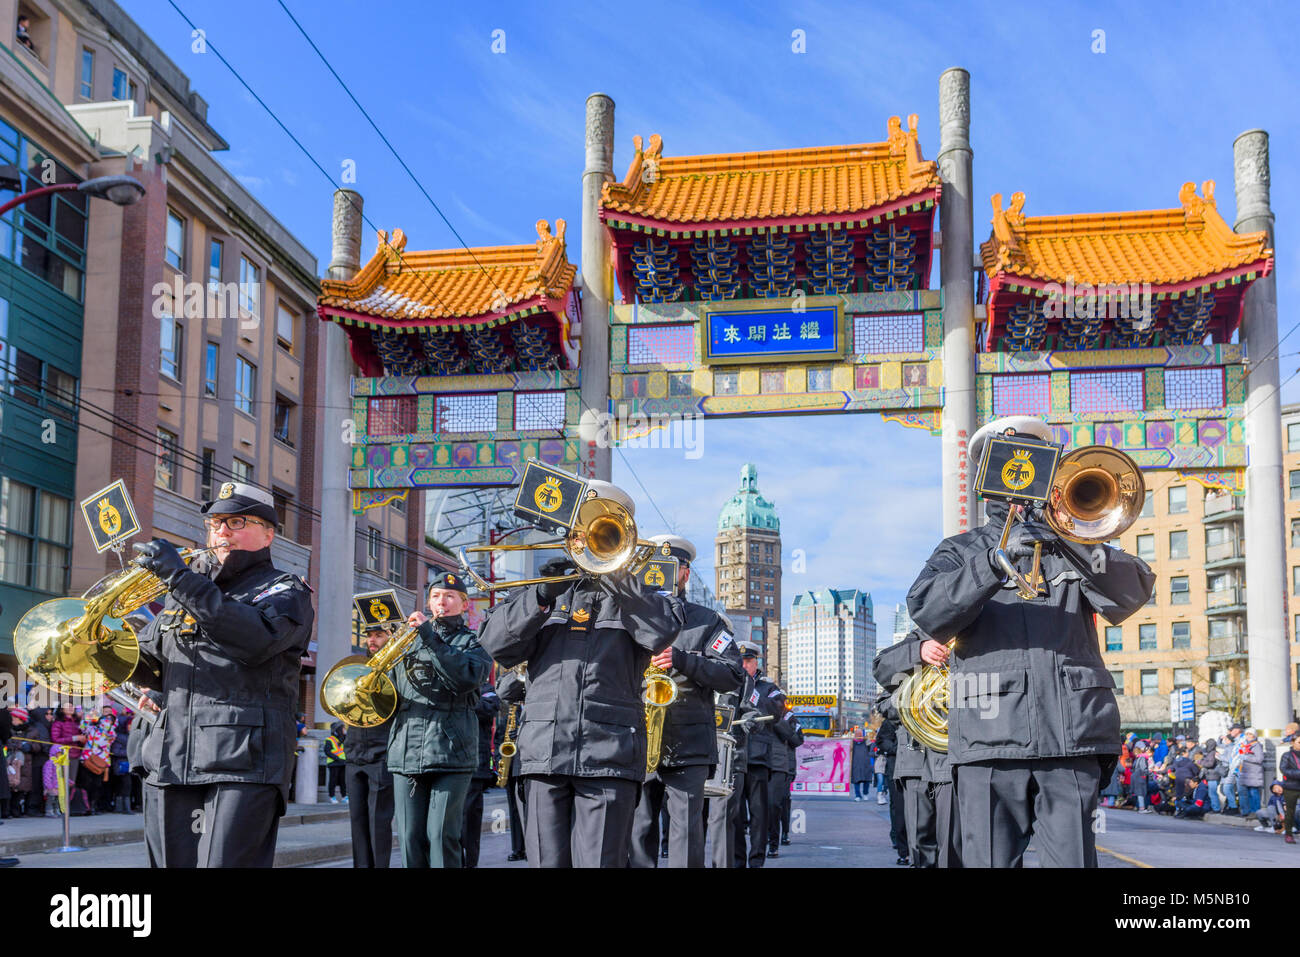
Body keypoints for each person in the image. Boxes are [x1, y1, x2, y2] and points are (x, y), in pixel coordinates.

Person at [907, 415, 1155, 868]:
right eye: (1012, 463)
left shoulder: (1076, 542)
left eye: (1037, 462)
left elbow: (1129, 594)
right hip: (988, 739)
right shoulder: (959, 550)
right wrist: (992, 563)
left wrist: (1070, 541)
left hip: (1071, 739)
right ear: (987, 477)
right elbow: (927, 612)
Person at [478, 480, 684, 867]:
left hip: (609, 754)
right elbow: (495, 644)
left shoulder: (641, 594)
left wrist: (622, 583)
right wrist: (540, 596)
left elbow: (661, 633)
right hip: (543, 752)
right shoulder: (539, 591)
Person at [127, 480, 315, 867]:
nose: (222, 531)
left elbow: (256, 640)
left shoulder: (284, 589)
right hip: (171, 757)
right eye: (215, 523)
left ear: (268, 534)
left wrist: (180, 579)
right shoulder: (183, 596)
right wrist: (105, 648)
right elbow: (152, 665)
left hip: (242, 762)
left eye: (236, 521)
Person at [630, 535, 743, 868]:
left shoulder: (707, 621)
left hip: (689, 739)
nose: (662, 574)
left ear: (685, 574)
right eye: (655, 567)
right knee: (639, 828)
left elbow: (733, 675)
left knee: (687, 831)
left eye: (672, 567)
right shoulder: (629, 616)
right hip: (638, 734)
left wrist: (683, 660)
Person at [387, 570, 492, 868]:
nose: (441, 602)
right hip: (406, 750)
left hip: (452, 752)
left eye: (449, 597)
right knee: (409, 837)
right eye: (435, 597)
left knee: (441, 835)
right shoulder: (407, 641)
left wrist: (430, 639)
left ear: (464, 605)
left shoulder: (474, 642)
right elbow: (388, 693)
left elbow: (466, 677)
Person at [875, 629, 961, 868]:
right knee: (920, 845)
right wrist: (915, 699)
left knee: (952, 844)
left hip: (951, 760)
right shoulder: (915, 642)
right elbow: (883, 704)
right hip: (914, 762)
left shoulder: (968, 641)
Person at [733, 641, 793, 868]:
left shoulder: (769, 688)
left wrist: (749, 687)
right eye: (741, 661)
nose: (744, 665)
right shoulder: (729, 682)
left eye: (748, 661)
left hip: (758, 758)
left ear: (756, 662)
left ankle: (756, 860)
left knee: (760, 814)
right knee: (736, 815)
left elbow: (777, 711)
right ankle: (738, 860)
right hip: (736, 757)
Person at [345, 626, 397, 868]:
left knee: (379, 823)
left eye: (378, 635)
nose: (372, 640)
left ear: (390, 637)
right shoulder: (357, 666)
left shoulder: (397, 666)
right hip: (354, 752)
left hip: (382, 754)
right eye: (369, 636)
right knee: (357, 822)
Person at [462, 679, 501, 868]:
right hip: (452, 762)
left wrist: (463, 697)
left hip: (476, 766)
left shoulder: (487, 689)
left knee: (470, 824)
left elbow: (489, 708)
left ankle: (470, 864)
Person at [495, 665, 527, 862]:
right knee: (514, 808)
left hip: (530, 761)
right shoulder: (512, 709)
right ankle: (517, 848)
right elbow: (501, 733)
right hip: (513, 763)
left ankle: (528, 846)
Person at [1236, 730, 1264, 816]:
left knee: (1254, 793)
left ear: (1254, 736)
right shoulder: (1245, 745)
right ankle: (1249, 812)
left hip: (1253, 774)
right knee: (1248, 794)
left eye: (1250, 734)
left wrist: (1245, 757)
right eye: (1247, 734)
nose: (1248, 736)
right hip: (1246, 774)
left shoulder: (1257, 745)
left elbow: (1259, 759)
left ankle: (1256, 812)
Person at [1279, 734, 1300, 844]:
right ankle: (1288, 833)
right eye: (1299, 742)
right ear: (1293, 743)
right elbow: (1284, 769)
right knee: (1290, 811)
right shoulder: (1287, 755)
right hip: (1291, 787)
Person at [1198, 739, 1223, 813]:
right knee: (1211, 793)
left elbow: (1210, 764)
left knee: (1212, 793)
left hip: (1213, 775)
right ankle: (1214, 807)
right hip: (1211, 775)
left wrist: (1201, 762)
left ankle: (1216, 809)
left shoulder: (1212, 753)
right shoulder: (1210, 753)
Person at [851, 729, 873, 801]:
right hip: (856, 764)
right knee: (856, 781)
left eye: (860, 734)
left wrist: (867, 738)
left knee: (866, 780)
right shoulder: (852, 742)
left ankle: (865, 794)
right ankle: (858, 795)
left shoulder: (866, 742)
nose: (858, 735)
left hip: (865, 764)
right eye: (857, 734)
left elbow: (871, 745)